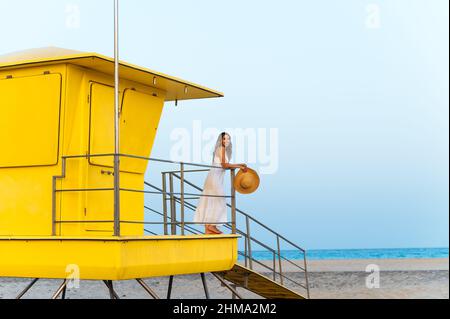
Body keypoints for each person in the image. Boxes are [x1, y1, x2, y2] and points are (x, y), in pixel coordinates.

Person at [193, 132, 247, 234]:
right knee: (219, 200)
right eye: (224, 139)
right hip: (215, 178)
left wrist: (239, 164)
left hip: (214, 177)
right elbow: (224, 165)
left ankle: (209, 227)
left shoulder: (222, 150)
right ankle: (212, 225)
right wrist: (239, 167)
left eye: (228, 139)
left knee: (212, 200)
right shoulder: (221, 149)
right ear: (221, 140)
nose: (226, 141)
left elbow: (224, 163)